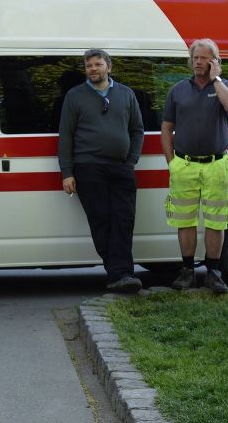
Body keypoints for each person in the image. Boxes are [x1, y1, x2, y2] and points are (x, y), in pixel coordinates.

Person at [58, 49, 145, 293]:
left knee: (124, 220)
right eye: (88, 66)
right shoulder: (75, 96)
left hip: (121, 167)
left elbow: (137, 130)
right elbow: (66, 135)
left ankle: (121, 273)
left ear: (108, 67)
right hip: (88, 167)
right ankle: (120, 274)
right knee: (102, 220)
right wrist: (67, 172)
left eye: (97, 64)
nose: (93, 69)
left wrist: (131, 160)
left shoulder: (126, 94)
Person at [161, 39, 228, 294]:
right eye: (195, 57)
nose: (198, 62)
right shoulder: (178, 90)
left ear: (215, 61)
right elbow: (166, 127)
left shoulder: (226, 87)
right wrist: (171, 162)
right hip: (184, 164)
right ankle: (187, 271)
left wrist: (216, 80)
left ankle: (214, 272)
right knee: (185, 220)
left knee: (216, 221)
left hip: (216, 164)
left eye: (205, 58)